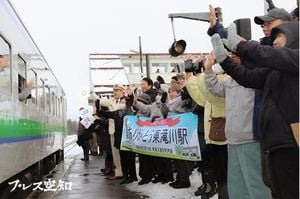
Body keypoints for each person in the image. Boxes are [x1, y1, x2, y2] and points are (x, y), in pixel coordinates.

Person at [211, 20, 299, 199]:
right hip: (274, 143)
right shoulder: (274, 70)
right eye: (273, 38)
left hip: (293, 144)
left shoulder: (296, 58)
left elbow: (266, 55)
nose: (274, 41)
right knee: (279, 192)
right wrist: (224, 60)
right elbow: (248, 77)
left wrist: (240, 44)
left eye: (280, 36)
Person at [204, 51, 270, 199]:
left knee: (256, 187)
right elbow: (215, 87)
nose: (232, 56)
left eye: (236, 53)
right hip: (232, 141)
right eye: (231, 54)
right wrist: (208, 69)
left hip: (251, 140)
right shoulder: (230, 80)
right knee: (237, 188)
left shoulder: (255, 76)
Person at [96, 96, 138, 184]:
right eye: (120, 102)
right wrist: (98, 108)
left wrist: (131, 98)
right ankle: (125, 176)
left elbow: (136, 109)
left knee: (130, 159)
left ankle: (133, 176)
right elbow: (105, 114)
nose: (121, 103)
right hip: (119, 139)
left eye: (123, 102)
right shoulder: (117, 113)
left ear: (127, 103)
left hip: (129, 139)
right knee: (123, 159)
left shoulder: (131, 112)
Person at [98, 84, 125, 180]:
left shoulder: (125, 101)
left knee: (123, 154)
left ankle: (124, 172)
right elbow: (102, 103)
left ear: (122, 91)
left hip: (122, 130)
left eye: (117, 90)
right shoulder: (112, 101)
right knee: (115, 153)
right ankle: (118, 172)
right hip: (112, 129)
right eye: (114, 90)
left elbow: (117, 111)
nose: (115, 92)